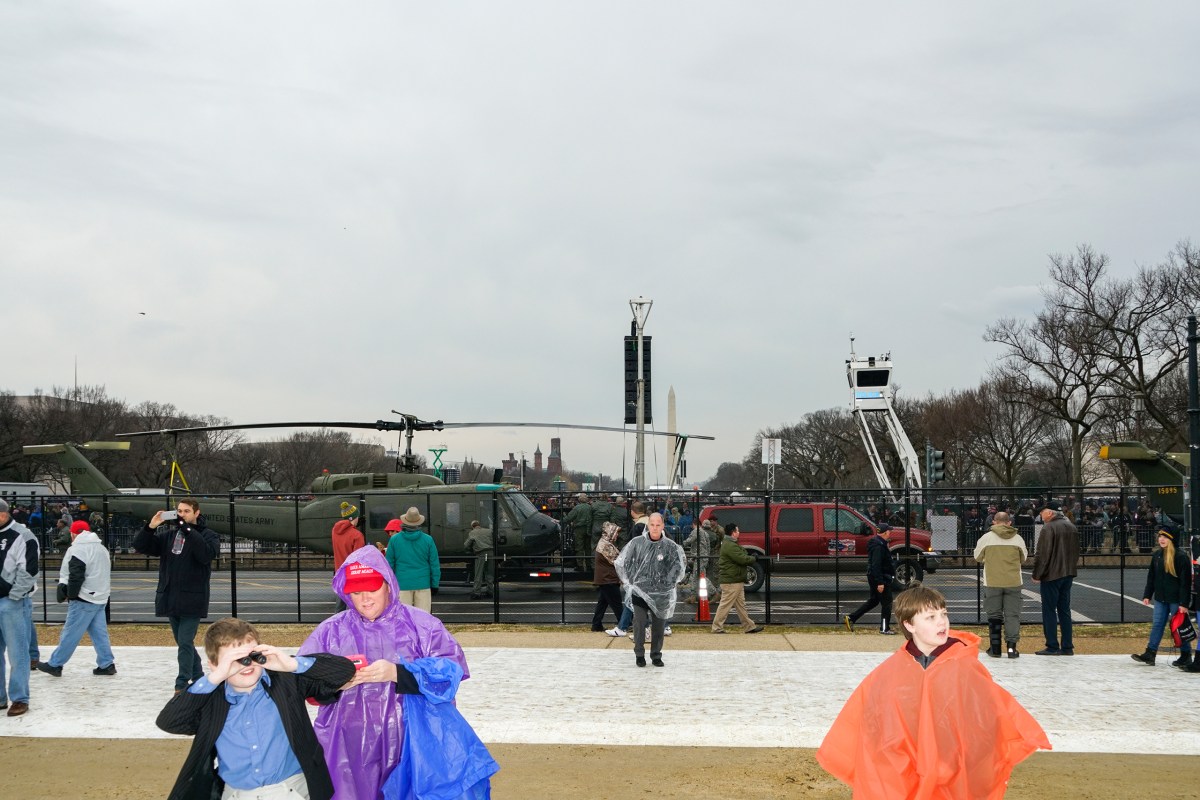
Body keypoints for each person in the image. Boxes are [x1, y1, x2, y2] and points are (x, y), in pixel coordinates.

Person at [818, 586, 1050, 798]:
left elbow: (988, 713)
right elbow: (871, 719)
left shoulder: (963, 665)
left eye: (944, 614)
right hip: (905, 769)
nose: (942, 622)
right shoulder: (893, 670)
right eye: (931, 617)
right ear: (910, 625)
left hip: (950, 770)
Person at [298, 545, 472, 800]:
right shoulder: (330, 632)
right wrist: (334, 684)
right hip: (349, 745)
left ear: (388, 585)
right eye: (356, 592)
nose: (365, 598)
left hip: (411, 740)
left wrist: (398, 673)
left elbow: (449, 674)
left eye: (372, 588)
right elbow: (305, 683)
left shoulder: (422, 626)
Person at [156, 617, 356, 800]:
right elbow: (169, 721)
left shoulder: (285, 681)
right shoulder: (210, 700)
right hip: (237, 794)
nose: (247, 665)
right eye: (235, 659)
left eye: (252, 655)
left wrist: (292, 663)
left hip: (293, 790)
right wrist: (214, 678)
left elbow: (344, 671)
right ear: (215, 664)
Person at [132, 498, 221, 693]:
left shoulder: (209, 535)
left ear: (197, 513)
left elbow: (205, 555)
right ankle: (198, 677)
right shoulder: (169, 535)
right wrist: (150, 527)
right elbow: (140, 546)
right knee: (183, 643)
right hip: (170, 596)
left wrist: (187, 529)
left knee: (185, 642)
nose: (182, 515)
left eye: (186, 511)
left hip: (192, 598)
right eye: (179, 511)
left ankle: (181, 683)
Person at [36, 520, 116, 677]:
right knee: (99, 633)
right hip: (100, 596)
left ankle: (55, 664)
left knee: (71, 632)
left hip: (84, 597)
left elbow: (76, 575)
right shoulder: (101, 548)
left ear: (73, 533)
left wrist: (70, 595)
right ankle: (106, 663)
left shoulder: (78, 549)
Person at [614, 512, 686, 667]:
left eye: (658, 525)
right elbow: (625, 562)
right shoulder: (637, 543)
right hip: (640, 592)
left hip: (661, 594)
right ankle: (639, 654)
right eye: (652, 524)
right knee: (639, 623)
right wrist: (634, 581)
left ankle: (656, 655)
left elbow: (676, 567)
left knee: (659, 626)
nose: (654, 528)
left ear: (662, 526)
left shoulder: (670, 546)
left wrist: (666, 583)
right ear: (648, 525)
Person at [1131, 526, 1193, 667]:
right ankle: (1150, 653)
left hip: (1176, 599)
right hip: (1161, 598)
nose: (1161, 539)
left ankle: (1186, 655)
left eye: (1165, 537)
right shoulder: (1157, 555)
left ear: (1171, 539)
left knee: (1179, 627)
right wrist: (1147, 594)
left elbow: (1185, 583)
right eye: (1160, 536)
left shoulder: (1181, 557)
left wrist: (1184, 603)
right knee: (1157, 624)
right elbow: (1151, 577)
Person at [973, 510, 1028, 658]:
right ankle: (1011, 649)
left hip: (992, 581)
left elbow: (977, 557)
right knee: (1012, 615)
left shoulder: (986, 538)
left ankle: (995, 649)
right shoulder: (1018, 539)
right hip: (1014, 582)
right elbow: (1023, 558)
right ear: (1009, 522)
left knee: (994, 614)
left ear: (994, 522)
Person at [0, 498, 37, 716]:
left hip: (12, 603)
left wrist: (14, 596)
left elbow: (29, 570)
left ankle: (20, 698)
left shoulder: (23, 536)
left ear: (5, 514)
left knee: (18, 653)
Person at [1031, 499, 1079, 656]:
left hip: (1052, 574)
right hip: (1068, 573)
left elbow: (1043, 554)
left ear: (1050, 513)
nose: (1040, 514)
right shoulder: (1071, 526)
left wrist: (1037, 574)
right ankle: (1067, 646)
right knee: (1064, 610)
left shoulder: (1048, 528)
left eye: (1042, 511)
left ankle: (1052, 645)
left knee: (1049, 610)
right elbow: (1076, 551)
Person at [710, 523, 764, 634]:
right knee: (725, 605)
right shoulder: (730, 545)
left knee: (741, 606)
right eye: (738, 531)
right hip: (731, 581)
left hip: (735, 580)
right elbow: (742, 559)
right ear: (733, 533)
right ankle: (717, 627)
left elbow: (742, 554)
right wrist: (753, 558)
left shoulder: (731, 543)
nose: (739, 533)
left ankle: (749, 626)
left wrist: (749, 556)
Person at [843, 523, 897, 635]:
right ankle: (884, 628)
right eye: (889, 531)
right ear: (885, 532)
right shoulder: (879, 546)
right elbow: (876, 564)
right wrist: (880, 582)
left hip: (875, 576)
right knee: (887, 603)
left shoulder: (878, 543)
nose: (890, 532)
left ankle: (851, 618)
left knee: (874, 600)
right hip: (880, 577)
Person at [384, 507, 440, 612]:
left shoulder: (394, 539)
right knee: (423, 617)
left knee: (403, 617)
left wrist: (388, 584)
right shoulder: (428, 539)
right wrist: (435, 584)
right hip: (423, 583)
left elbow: (389, 564)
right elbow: (434, 564)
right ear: (419, 522)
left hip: (402, 583)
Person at [331, 502, 365, 612]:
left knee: (340, 606)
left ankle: (338, 627)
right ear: (354, 517)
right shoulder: (357, 535)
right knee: (355, 606)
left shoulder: (335, 531)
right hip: (353, 573)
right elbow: (359, 557)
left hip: (339, 571)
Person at [591, 522, 623, 631]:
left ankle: (596, 624)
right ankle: (624, 624)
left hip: (605, 578)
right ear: (611, 532)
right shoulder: (606, 545)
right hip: (608, 579)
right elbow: (619, 561)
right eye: (615, 532)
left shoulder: (604, 543)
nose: (617, 535)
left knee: (603, 603)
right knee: (617, 604)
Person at [561, 493, 594, 572]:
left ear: (579, 499)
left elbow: (569, 517)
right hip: (589, 529)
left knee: (579, 548)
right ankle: (589, 565)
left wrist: (560, 521)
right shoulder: (591, 508)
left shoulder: (577, 508)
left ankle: (580, 566)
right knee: (588, 548)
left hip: (579, 529)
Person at [465, 520, 495, 600]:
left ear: (472, 526)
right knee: (489, 573)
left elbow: (466, 545)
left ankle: (476, 593)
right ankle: (490, 591)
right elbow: (497, 538)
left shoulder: (473, 532)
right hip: (491, 553)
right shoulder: (488, 531)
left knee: (478, 573)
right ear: (479, 525)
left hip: (480, 554)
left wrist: (469, 550)